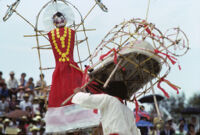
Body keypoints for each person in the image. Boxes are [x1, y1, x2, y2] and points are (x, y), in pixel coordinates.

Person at [44, 10, 99, 133]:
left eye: (60, 18)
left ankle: (77, 123)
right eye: (57, 19)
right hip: (66, 69)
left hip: (66, 69)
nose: (59, 20)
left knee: (71, 94)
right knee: (67, 94)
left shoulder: (63, 33)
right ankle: (72, 123)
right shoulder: (60, 33)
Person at [72, 81, 141, 135]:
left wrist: (78, 93)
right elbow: (135, 132)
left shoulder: (109, 99)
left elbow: (87, 100)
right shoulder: (128, 110)